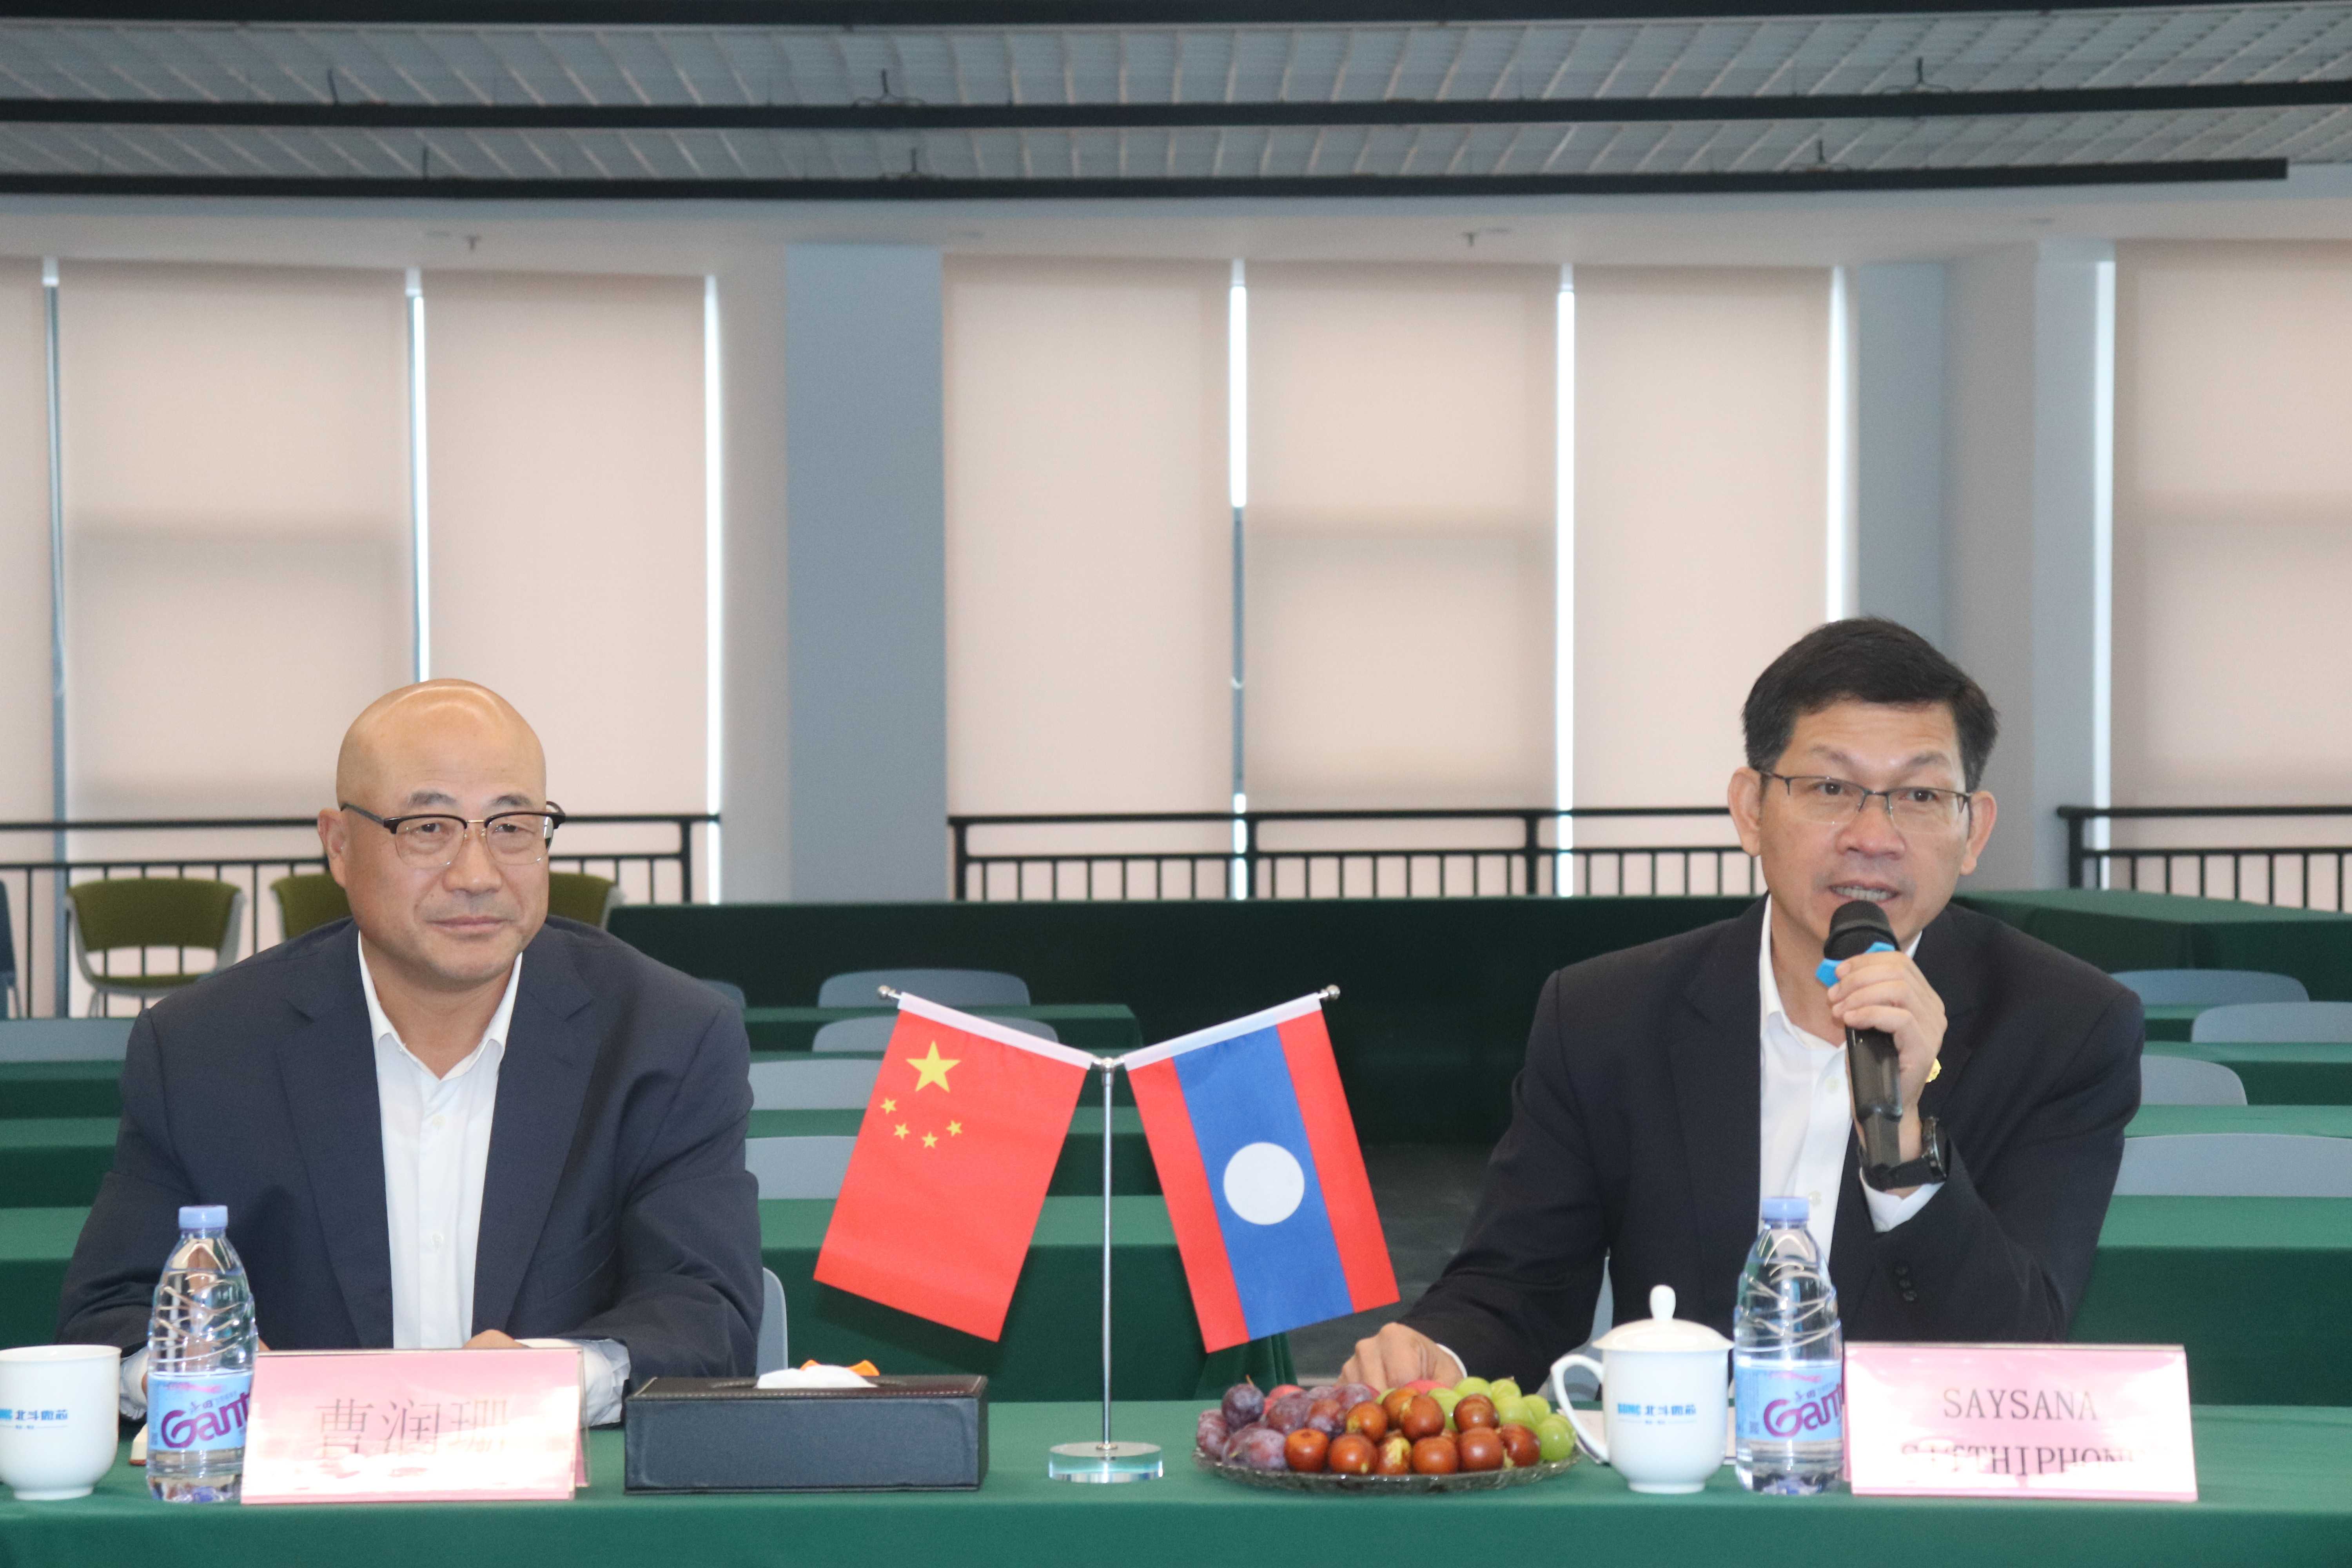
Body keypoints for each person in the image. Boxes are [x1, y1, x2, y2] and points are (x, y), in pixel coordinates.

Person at [1345, 619, 2142, 1392]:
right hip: (1687, 1473)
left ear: (1974, 830)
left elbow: (2017, 1348)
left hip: (1923, 1480)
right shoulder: (1605, 1016)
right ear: (1751, 809)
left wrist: (1903, 1142)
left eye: (1922, 794)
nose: (1874, 835)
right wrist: (1436, 1355)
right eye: (1831, 788)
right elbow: (1518, 1287)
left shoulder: (2063, 1026)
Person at [58, 681, 760, 1424]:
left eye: (512, 827)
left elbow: (706, 1312)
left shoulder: (666, 1038)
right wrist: (211, 1370)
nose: (477, 875)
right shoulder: (205, 1050)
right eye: (428, 828)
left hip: (555, 1492)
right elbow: (110, 1316)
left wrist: (553, 1378)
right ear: (338, 845)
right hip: (298, 1491)